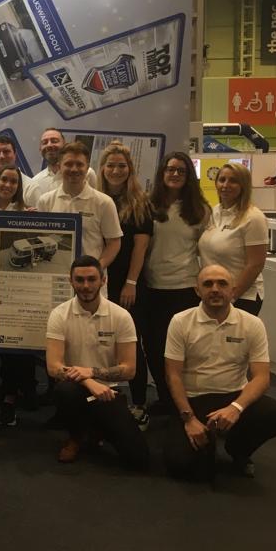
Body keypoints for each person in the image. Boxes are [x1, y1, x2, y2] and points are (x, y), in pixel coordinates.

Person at [164, 265, 276, 480]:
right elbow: (172, 375)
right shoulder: (180, 321)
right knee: (181, 465)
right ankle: (207, 442)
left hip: (233, 396)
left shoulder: (252, 324)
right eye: (208, 284)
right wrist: (189, 419)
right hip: (194, 400)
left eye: (222, 284)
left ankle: (238, 449)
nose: (215, 289)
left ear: (233, 290)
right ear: (197, 291)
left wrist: (236, 408)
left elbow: (261, 377)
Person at [45, 256, 149, 470]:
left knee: (139, 458)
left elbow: (130, 370)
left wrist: (91, 372)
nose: (86, 286)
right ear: (71, 281)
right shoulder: (59, 315)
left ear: (103, 280)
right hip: (75, 389)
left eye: (91, 279)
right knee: (64, 391)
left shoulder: (121, 316)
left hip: (108, 392)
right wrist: (88, 380)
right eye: (79, 280)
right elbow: (53, 367)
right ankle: (76, 436)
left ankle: (96, 430)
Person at [143, 152, 211, 412]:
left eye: (181, 171)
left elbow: (207, 250)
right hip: (152, 286)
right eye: (170, 169)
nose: (174, 174)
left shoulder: (200, 210)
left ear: (188, 176)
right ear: (162, 173)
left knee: (184, 350)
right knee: (154, 347)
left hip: (184, 288)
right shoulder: (149, 206)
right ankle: (165, 398)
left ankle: (184, 400)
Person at [97, 142, 153, 429]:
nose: (116, 171)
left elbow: (140, 248)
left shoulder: (140, 203)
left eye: (121, 166)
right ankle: (104, 402)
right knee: (100, 343)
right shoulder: (95, 198)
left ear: (130, 169)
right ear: (102, 169)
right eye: (111, 165)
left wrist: (131, 283)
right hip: (99, 281)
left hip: (127, 284)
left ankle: (139, 404)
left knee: (131, 344)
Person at [0, 165, 35, 427]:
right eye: (4, 180)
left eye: (14, 181)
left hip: (15, 292)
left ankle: (10, 399)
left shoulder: (27, 215)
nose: (8, 185)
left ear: (18, 187)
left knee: (14, 350)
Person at [36, 142, 122, 269]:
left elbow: (114, 243)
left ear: (87, 168)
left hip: (90, 278)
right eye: (68, 164)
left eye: (79, 164)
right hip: (55, 274)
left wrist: (97, 269)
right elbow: (41, 238)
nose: (74, 169)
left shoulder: (104, 202)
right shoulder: (45, 201)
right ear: (59, 167)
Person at [197, 163, 268, 316]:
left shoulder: (253, 217)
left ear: (244, 185)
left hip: (242, 297)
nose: (226, 185)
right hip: (214, 295)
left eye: (233, 181)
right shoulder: (214, 212)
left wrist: (231, 297)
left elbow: (255, 264)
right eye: (222, 180)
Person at [28, 127, 96, 198]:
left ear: (64, 144)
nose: (49, 145)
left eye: (54, 141)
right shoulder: (35, 182)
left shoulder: (88, 174)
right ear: (40, 149)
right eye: (44, 142)